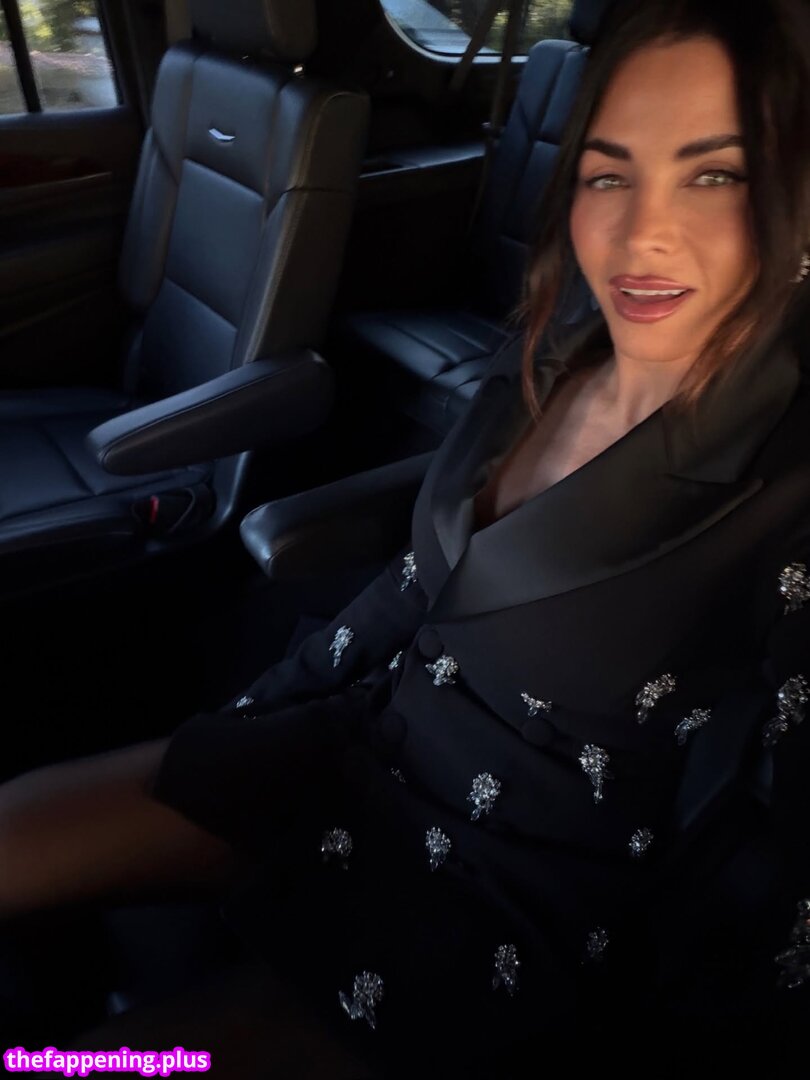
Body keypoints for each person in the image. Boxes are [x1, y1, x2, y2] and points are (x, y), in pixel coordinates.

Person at [1, 0, 810, 1075]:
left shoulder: (784, 482)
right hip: (349, 747)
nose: (639, 233)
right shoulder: (560, 340)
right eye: (608, 175)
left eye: (714, 174)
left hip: (493, 910)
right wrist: (246, 726)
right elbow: (412, 585)